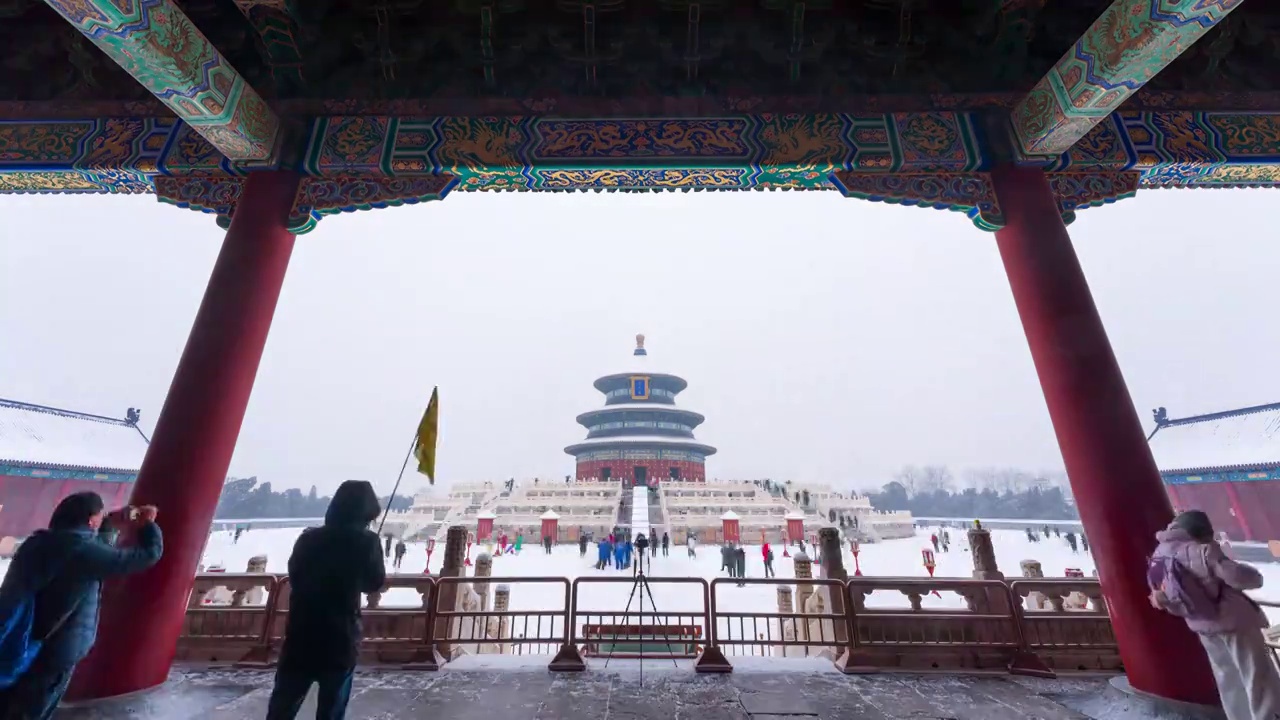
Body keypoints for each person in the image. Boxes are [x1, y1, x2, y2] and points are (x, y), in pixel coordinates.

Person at [0, 493, 163, 720]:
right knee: (34, 707)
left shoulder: (37, 543)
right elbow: (146, 556)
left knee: (12, 699)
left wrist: (107, 525)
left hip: (23, 640)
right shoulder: (82, 550)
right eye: (99, 515)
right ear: (90, 521)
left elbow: (94, 554)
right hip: (58, 645)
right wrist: (148, 526)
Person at [266, 480, 385, 720]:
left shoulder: (308, 538)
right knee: (332, 710)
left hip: (301, 634)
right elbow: (373, 583)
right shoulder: (367, 542)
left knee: (282, 707)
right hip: (339, 639)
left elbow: (296, 576)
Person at [1150, 510, 1280, 720]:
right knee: (1257, 677)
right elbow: (1240, 578)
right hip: (1234, 623)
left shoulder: (1160, 554)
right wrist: (1254, 575)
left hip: (1201, 623)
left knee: (1228, 679)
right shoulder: (1202, 550)